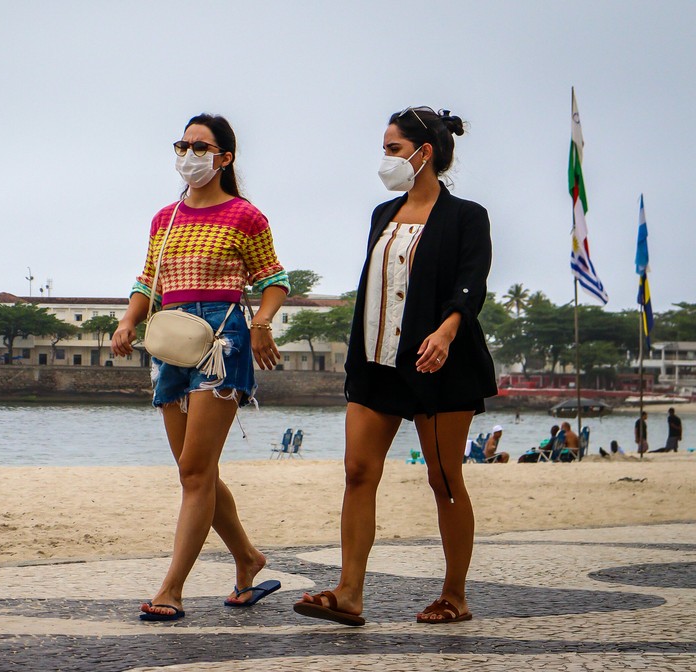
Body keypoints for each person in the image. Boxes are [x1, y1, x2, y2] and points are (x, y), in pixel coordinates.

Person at [293, 106, 496, 627]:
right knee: (358, 472)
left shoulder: (467, 216)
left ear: (423, 152)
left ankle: (454, 595)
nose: (385, 159)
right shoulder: (382, 214)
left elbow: (471, 283)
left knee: (443, 478)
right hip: (375, 362)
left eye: (393, 149)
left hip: (439, 363)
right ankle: (348, 593)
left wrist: (446, 331)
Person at [110, 113, 290, 622]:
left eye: (201, 147)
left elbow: (274, 279)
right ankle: (247, 558)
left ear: (225, 158)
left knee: (194, 470)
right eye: (182, 145)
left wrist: (263, 322)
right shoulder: (164, 219)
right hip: (170, 339)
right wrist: (128, 320)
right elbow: (148, 280)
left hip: (221, 341)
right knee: (196, 471)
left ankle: (172, 589)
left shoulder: (245, 216)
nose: (189, 155)